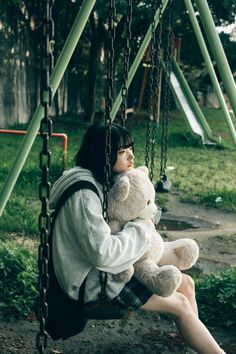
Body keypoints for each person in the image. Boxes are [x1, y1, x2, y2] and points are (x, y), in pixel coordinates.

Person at [49, 122, 226, 354]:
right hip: (93, 282)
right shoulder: (84, 195)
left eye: (130, 148)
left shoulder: (95, 177)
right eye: (122, 151)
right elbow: (103, 253)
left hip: (105, 271)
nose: (131, 156)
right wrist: (140, 228)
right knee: (180, 305)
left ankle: (195, 348)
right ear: (102, 154)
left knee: (187, 284)